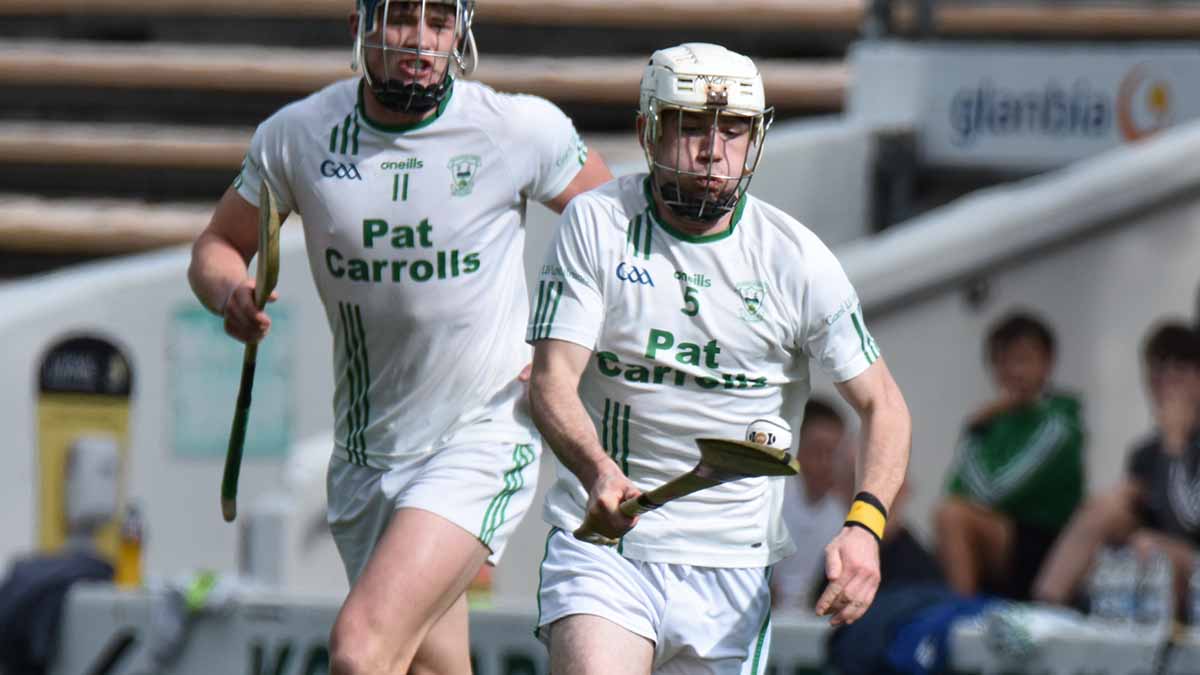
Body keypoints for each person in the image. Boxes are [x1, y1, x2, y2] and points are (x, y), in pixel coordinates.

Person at [187, 1, 612, 672]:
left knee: (360, 650)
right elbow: (217, 245)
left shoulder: (517, 129)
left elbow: (616, 237)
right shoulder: (297, 136)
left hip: (483, 433)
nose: (420, 41)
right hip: (367, 455)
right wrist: (228, 292)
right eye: (400, 18)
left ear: (461, 34)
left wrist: (567, 348)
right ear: (359, 26)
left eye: (439, 22)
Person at [526, 42, 911, 674]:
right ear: (648, 132)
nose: (713, 149)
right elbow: (551, 380)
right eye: (691, 127)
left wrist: (864, 526)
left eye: (733, 130)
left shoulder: (795, 259)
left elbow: (884, 405)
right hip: (609, 550)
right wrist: (597, 470)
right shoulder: (597, 224)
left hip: (732, 569)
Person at [1034, 321, 1200, 621]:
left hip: (1189, 559)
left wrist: (1175, 448)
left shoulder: (1177, 444)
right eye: (1157, 377)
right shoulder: (1146, 451)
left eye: (1177, 376)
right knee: (1105, 508)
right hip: (1156, 556)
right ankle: (1045, 610)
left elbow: (1190, 523)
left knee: (1146, 548)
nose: (1165, 389)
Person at [935, 311, 1084, 600]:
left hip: (1048, 548)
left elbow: (993, 492)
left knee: (952, 516)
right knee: (948, 514)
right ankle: (961, 610)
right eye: (1002, 362)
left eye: (1023, 360)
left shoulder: (1058, 422)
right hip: (1004, 539)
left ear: (1047, 362)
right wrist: (976, 430)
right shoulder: (993, 421)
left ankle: (962, 612)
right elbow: (954, 488)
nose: (1013, 372)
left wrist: (974, 431)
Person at [772, 398, 853, 611]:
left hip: (802, 620)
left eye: (834, 453)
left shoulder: (837, 514)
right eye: (817, 451)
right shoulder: (772, 499)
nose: (827, 464)